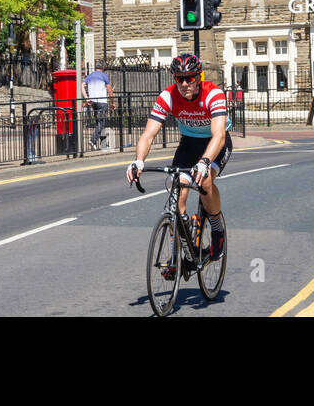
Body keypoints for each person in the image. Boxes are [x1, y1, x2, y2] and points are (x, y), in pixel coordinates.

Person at [125, 53, 230, 268]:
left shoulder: (213, 94)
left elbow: (218, 135)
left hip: (215, 143)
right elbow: (148, 134)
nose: (184, 83)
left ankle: (217, 227)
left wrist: (204, 162)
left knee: (204, 180)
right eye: (179, 78)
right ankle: (179, 252)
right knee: (176, 193)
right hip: (189, 143)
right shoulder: (168, 96)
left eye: (189, 78)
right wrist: (138, 161)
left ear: (198, 77)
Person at [82, 61, 113, 150]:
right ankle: (92, 140)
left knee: (99, 123)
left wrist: (86, 98)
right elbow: (109, 90)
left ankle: (104, 145)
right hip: (102, 102)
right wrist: (113, 102)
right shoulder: (104, 76)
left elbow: (82, 85)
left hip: (93, 103)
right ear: (102, 68)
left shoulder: (90, 76)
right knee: (101, 123)